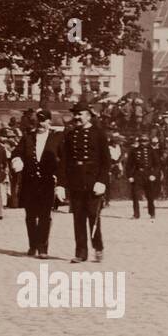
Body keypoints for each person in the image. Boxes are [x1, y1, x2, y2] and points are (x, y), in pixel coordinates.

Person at [59, 99, 108, 263]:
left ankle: (98, 246)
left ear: (88, 115)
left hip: (93, 181)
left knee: (93, 215)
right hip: (76, 181)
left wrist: (102, 181)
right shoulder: (71, 134)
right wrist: (61, 184)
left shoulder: (99, 134)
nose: (77, 117)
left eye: (80, 114)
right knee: (78, 217)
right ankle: (80, 252)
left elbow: (105, 161)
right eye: (75, 114)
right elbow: (64, 161)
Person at [11, 108, 60, 259]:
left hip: (47, 182)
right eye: (39, 121)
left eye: (44, 121)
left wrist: (59, 179)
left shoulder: (56, 138)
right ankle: (33, 244)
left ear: (49, 122)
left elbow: (63, 159)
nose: (41, 124)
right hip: (30, 182)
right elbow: (16, 153)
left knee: (45, 215)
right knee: (30, 216)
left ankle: (43, 247)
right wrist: (17, 160)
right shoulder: (28, 137)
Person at [126, 130, 160, 220]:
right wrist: (130, 176)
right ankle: (136, 214)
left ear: (148, 142)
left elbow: (157, 165)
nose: (143, 143)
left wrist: (154, 175)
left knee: (150, 195)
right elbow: (129, 165)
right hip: (137, 175)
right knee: (135, 195)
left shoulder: (152, 151)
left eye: (145, 141)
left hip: (148, 175)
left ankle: (152, 213)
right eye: (141, 141)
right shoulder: (134, 151)